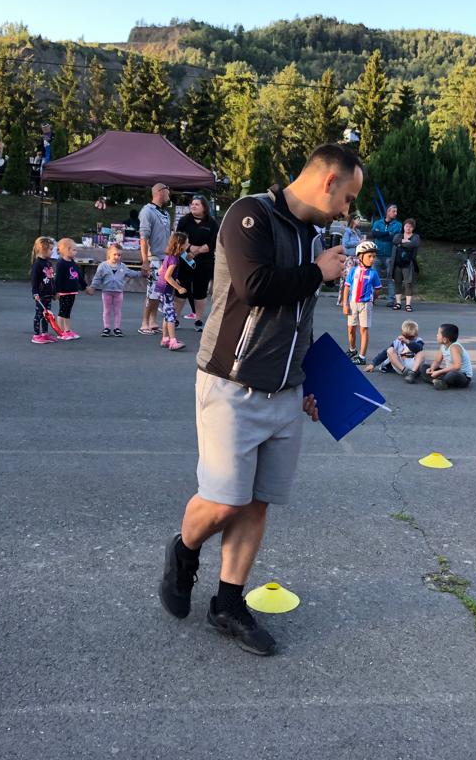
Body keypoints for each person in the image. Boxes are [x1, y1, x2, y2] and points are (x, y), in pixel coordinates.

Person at [157, 143, 362, 657]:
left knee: (257, 502)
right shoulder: (250, 214)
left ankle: (227, 605)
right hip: (231, 385)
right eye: (348, 198)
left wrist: (311, 380)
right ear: (328, 181)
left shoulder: (313, 237)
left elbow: (300, 319)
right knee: (224, 500)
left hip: (286, 391)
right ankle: (184, 550)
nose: (347, 211)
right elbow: (254, 287)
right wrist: (318, 273)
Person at [175, 194, 219, 332]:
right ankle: (175, 319)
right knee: (181, 290)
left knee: (200, 292)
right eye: (192, 204)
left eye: (197, 204)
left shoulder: (212, 223)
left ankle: (198, 320)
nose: (193, 206)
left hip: (204, 263)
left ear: (204, 207)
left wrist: (196, 251)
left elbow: (212, 244)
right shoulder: (184, 221)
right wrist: (190, 248)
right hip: (185, 261)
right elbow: (178, 239)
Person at [88, 244, 145, 337]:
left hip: (118, 292)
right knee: (107, 310)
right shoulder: (103, 266)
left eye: (119, 255)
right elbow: (97, 278)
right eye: (115, 254)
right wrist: (92, 287)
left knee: (117, 311)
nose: (117, 257)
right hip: (106, 292)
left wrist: (142, 273)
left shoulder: (123, 266)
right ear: (109, 254)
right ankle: (106, 328)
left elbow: (132, 273)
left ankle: (117, 328)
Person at [138, 183, 172, 335]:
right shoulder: (147, 211)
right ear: (160, 192)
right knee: (151, 292)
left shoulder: (166, 213)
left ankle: (152, 321)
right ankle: (144, 322)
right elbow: (143, 238)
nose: (169, 194)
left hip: (165, 258)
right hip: (154, 259)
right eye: (167, 191)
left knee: (159, 292)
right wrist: (145, 261)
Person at [342, 241, 382, 365]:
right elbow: (347, 287)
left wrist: (372, 300)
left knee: (363, 329)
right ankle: (352, 349)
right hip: (352, 303)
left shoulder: (373, 273)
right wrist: (345, 304)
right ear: (360, 256)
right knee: (351, 329)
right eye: (369, 256)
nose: (372, 259)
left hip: (366, 305)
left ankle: (362, 356)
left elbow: (378, 289)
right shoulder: (353, 271)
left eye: (374, 256)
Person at [364, 319, 426, 383]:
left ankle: (412, 374)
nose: (407, 338)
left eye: (411, 337)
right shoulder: (397, 342)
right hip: (400, 365)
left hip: (413, 365)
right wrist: (373, 364)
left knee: (421, 353)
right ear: (402, 334)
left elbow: (418, 348)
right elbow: (385, 353)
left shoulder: (418, 341)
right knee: (390, 350)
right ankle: (405, 372)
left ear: (416, 335)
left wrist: (408, 342)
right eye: (405, 336)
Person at [157, 232, 190, 351]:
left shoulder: (169, 256)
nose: (188, 245)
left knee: (167, 314)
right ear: (180, 245)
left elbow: (161, 271)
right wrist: (179, 288)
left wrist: (174, 279)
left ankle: (165, 338)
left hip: (161, 289)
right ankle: (173, 341)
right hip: (166, 290)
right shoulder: (174, 259)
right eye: (186, 243)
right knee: (171, 316)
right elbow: (167, 276)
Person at [54, 237, 90, 340]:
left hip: (72, 291)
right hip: (64, 292)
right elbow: (58, 278)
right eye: (74, 250)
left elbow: (79, 275)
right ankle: (60, 332)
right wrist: (56, 291)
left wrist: (84, 287)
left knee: (67, 312)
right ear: (66, 250)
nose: (76, 252)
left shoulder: (72, 262)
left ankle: (68, 330)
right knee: (63, 311)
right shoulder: (61, 263)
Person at [419, 323, 473, 389]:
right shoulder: (443, 346)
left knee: (451, 375)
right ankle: (436, 381)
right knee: (424, 367)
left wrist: (438, 372)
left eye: (438, 334)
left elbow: (457, 367)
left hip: (462, 376)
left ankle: (440, 381)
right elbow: (437, 361)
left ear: (445, 339)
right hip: (448, 372)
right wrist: (432, 368)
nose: (436, 335)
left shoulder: (454, 347)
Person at [370, 203, 402, 303]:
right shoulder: (378, 223)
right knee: (374, 278)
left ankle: (391, 300)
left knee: (390, 278)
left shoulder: (398, 224)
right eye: (394, 211)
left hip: (390, 255)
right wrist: (388, 233)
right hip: (377, 255)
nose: (396, 213)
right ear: (388, 212)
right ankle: (371, 298)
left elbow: (394, 238)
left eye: (396, 211)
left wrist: (381, 235)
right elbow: (374, 234)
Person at [30, 236, 57, 344]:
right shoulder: (37, 264)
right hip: (41, 295)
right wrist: (35, 292)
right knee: (39, 314)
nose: (52, 251)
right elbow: (34, 280)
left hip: (48, 294)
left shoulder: (48, 263)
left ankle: (45, 334)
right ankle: (36, 335)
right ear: (43, 249)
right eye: (50, 249)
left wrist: (54, 292)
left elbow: (51, 279)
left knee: (47, 315)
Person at [391, 218, 421, 312]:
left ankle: (408, 304)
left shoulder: (416, 236)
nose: (408, 228)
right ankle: (398, 303)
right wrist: (404, 241)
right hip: (397, 263)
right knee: (397, 283)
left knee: (408, 284)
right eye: (407, 226)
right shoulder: (398, 235)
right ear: (404, 227)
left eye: (410, 227)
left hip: (408, 264)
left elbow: (414, 244)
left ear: (413, 228)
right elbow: (394, 241)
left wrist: (401, 243)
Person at [337, 213, 363, 306]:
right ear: (352, 220)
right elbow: (346, 244)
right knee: (347, 279)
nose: (359, 221)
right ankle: (342, 300)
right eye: (357, 219)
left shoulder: (358, 232)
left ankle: (352, 299)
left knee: (355, 280)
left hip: (357, 258)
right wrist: (358, 242)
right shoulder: (347, 231)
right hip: (350, 258)